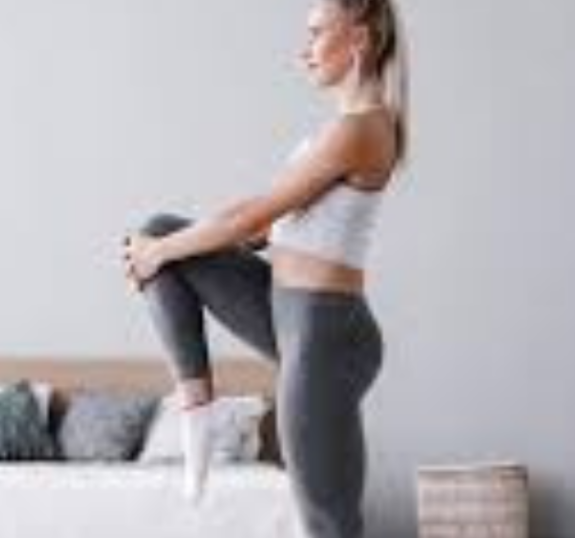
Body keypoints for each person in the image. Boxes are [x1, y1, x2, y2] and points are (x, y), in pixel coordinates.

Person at [122, 0, 408, 536]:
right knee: (160, 231)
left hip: (327, 334)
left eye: (317, 32)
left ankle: (198, 411)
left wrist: (158, 255)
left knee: (326, 521)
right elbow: (263, 228)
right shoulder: (337, 131)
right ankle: (198, 408)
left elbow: (252, 216)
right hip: (285, 312)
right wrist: (160, 250)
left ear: (360, 39)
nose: (304, 50)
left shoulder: (363, 129)